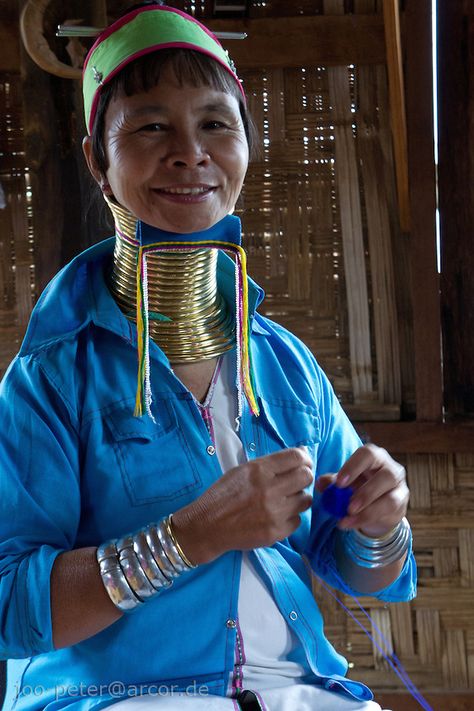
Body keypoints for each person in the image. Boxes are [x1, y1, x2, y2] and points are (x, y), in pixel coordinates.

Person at [0, 3, 416, 710]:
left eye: (216, 123)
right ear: (97, 161)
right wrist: (190, 536)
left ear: (247, 147)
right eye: (152, 125)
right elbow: (11, 604)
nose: (190, 151)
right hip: (119, 696)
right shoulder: (52, 376)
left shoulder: (284, 365)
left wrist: (381, 522)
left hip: (303, 691)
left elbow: (354, 565)